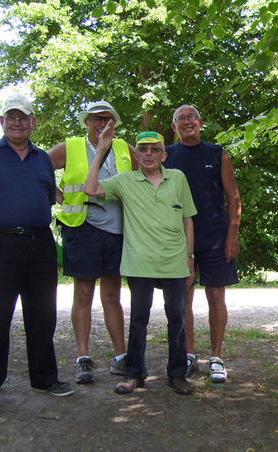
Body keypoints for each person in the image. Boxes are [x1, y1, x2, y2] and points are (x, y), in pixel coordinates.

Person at [0, 94, 74, 411]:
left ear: (33, 123)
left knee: (43, 316)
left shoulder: (43, 160)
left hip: (39, 246)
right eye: (11, 117)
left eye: (23, 117)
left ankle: (46, 378)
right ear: (2, 122)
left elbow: (51, 198)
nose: (17, 122)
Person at [84, 124, 197, 396]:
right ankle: (135, 375)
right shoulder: (125, 182)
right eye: (143, 150)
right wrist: (100, 150)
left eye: (155, 150)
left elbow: (188, 221)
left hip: (174, 263)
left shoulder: (178, 178)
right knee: (138, 320)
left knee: (177, 319)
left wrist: (190, 260)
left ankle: (177, 374)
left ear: (163, 155)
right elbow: (90, 189)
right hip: (140, 263)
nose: (148, 154)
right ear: (137, 155)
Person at [48, 101, 137, 385]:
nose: (102, 124)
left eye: (108, 120)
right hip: (82, 228)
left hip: (117, 231)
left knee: (112, 297)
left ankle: (121, 357)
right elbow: (38, 168)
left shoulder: (124, 148)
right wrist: (60, 197)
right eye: (97, 120)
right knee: (83, 295)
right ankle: (83, 359)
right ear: (86, 122)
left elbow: (151, 167)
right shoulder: (71, 146)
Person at [164, 105, 241, 383]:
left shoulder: (217, 153)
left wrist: (232, 234)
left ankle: (217, 358)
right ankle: (188, 356)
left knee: (216, 297)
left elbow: (233, 196)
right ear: (174, 127)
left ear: (200, 122)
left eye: (192, 117)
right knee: (183, 296)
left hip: (215, 237)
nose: (187, 122)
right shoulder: (165, 155)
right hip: (178, 240)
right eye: (181, 119)